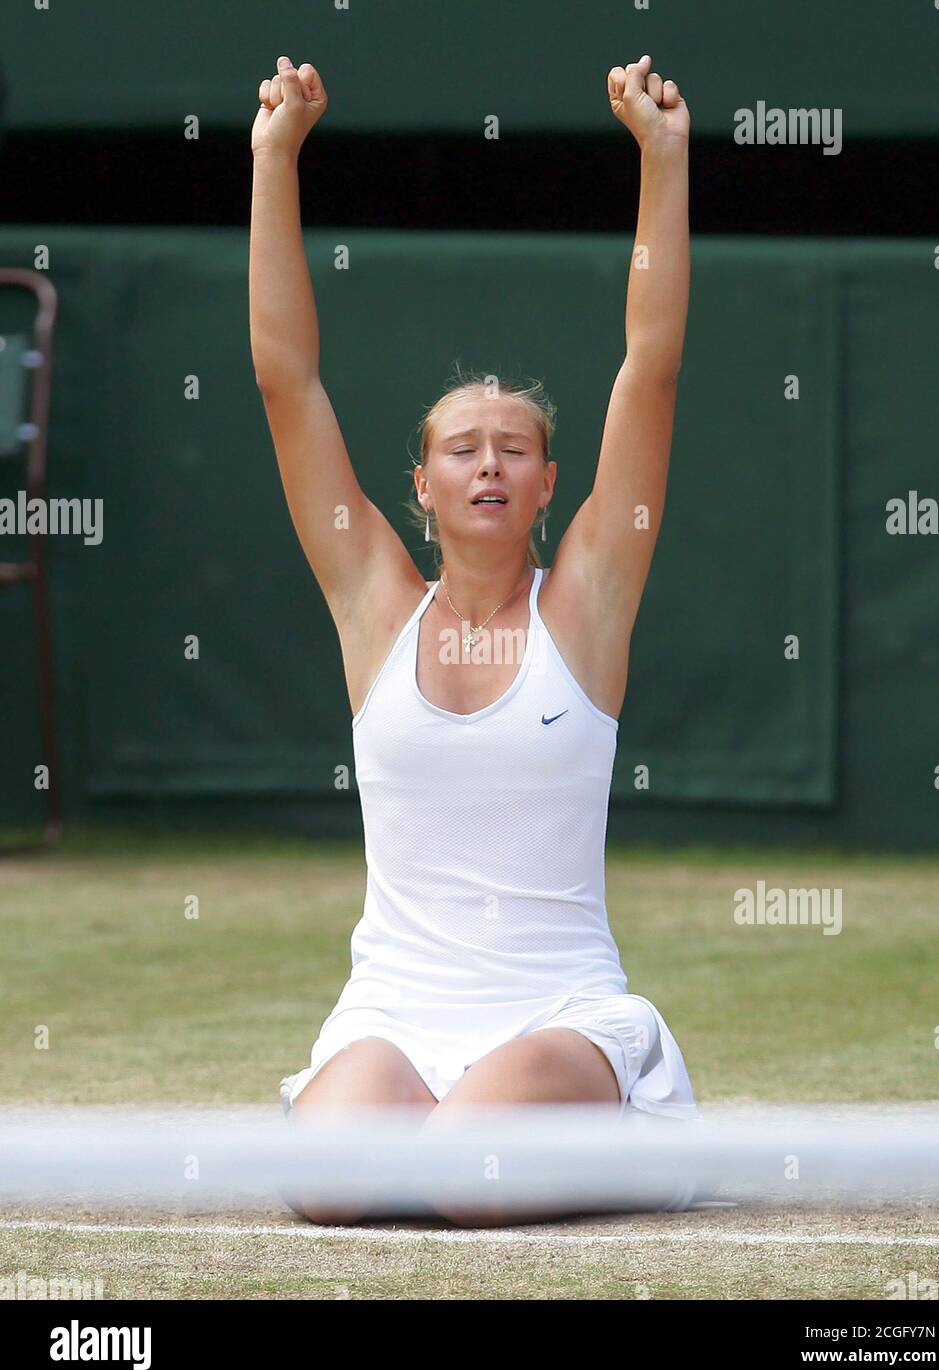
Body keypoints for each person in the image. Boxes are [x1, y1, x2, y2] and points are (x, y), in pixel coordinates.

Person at [250, 53, 696, 1225]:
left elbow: (647, 370)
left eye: (512, 447)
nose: (488, 462)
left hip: (557, 1016)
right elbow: (285, 380)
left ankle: (607, 1117)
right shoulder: (373, 606)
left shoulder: (588, 603)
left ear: (548, 483)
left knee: (463, 1176)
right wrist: (272, 160)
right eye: (463, 446)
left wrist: (661, 162)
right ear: (423, 485)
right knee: (325, 1190)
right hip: (390, 1019)